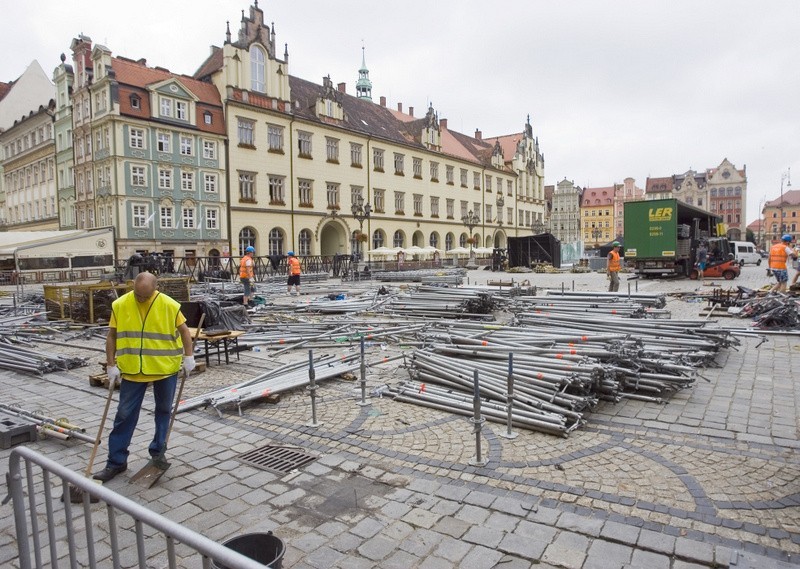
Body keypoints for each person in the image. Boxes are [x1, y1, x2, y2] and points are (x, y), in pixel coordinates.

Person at [93, 272, 195, 482]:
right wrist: (111, 365)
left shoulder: (169, 305)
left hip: (164, 368)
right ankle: (116, 462)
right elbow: (111, 335)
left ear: (155, 289)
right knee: (124, 415)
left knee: (164, 411)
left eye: (145, 296)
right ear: (133, 287)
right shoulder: (120, 305)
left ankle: (158, 453)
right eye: (138, 295)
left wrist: (189, 357)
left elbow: (184, 331)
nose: (141, 299)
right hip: (133, 370)